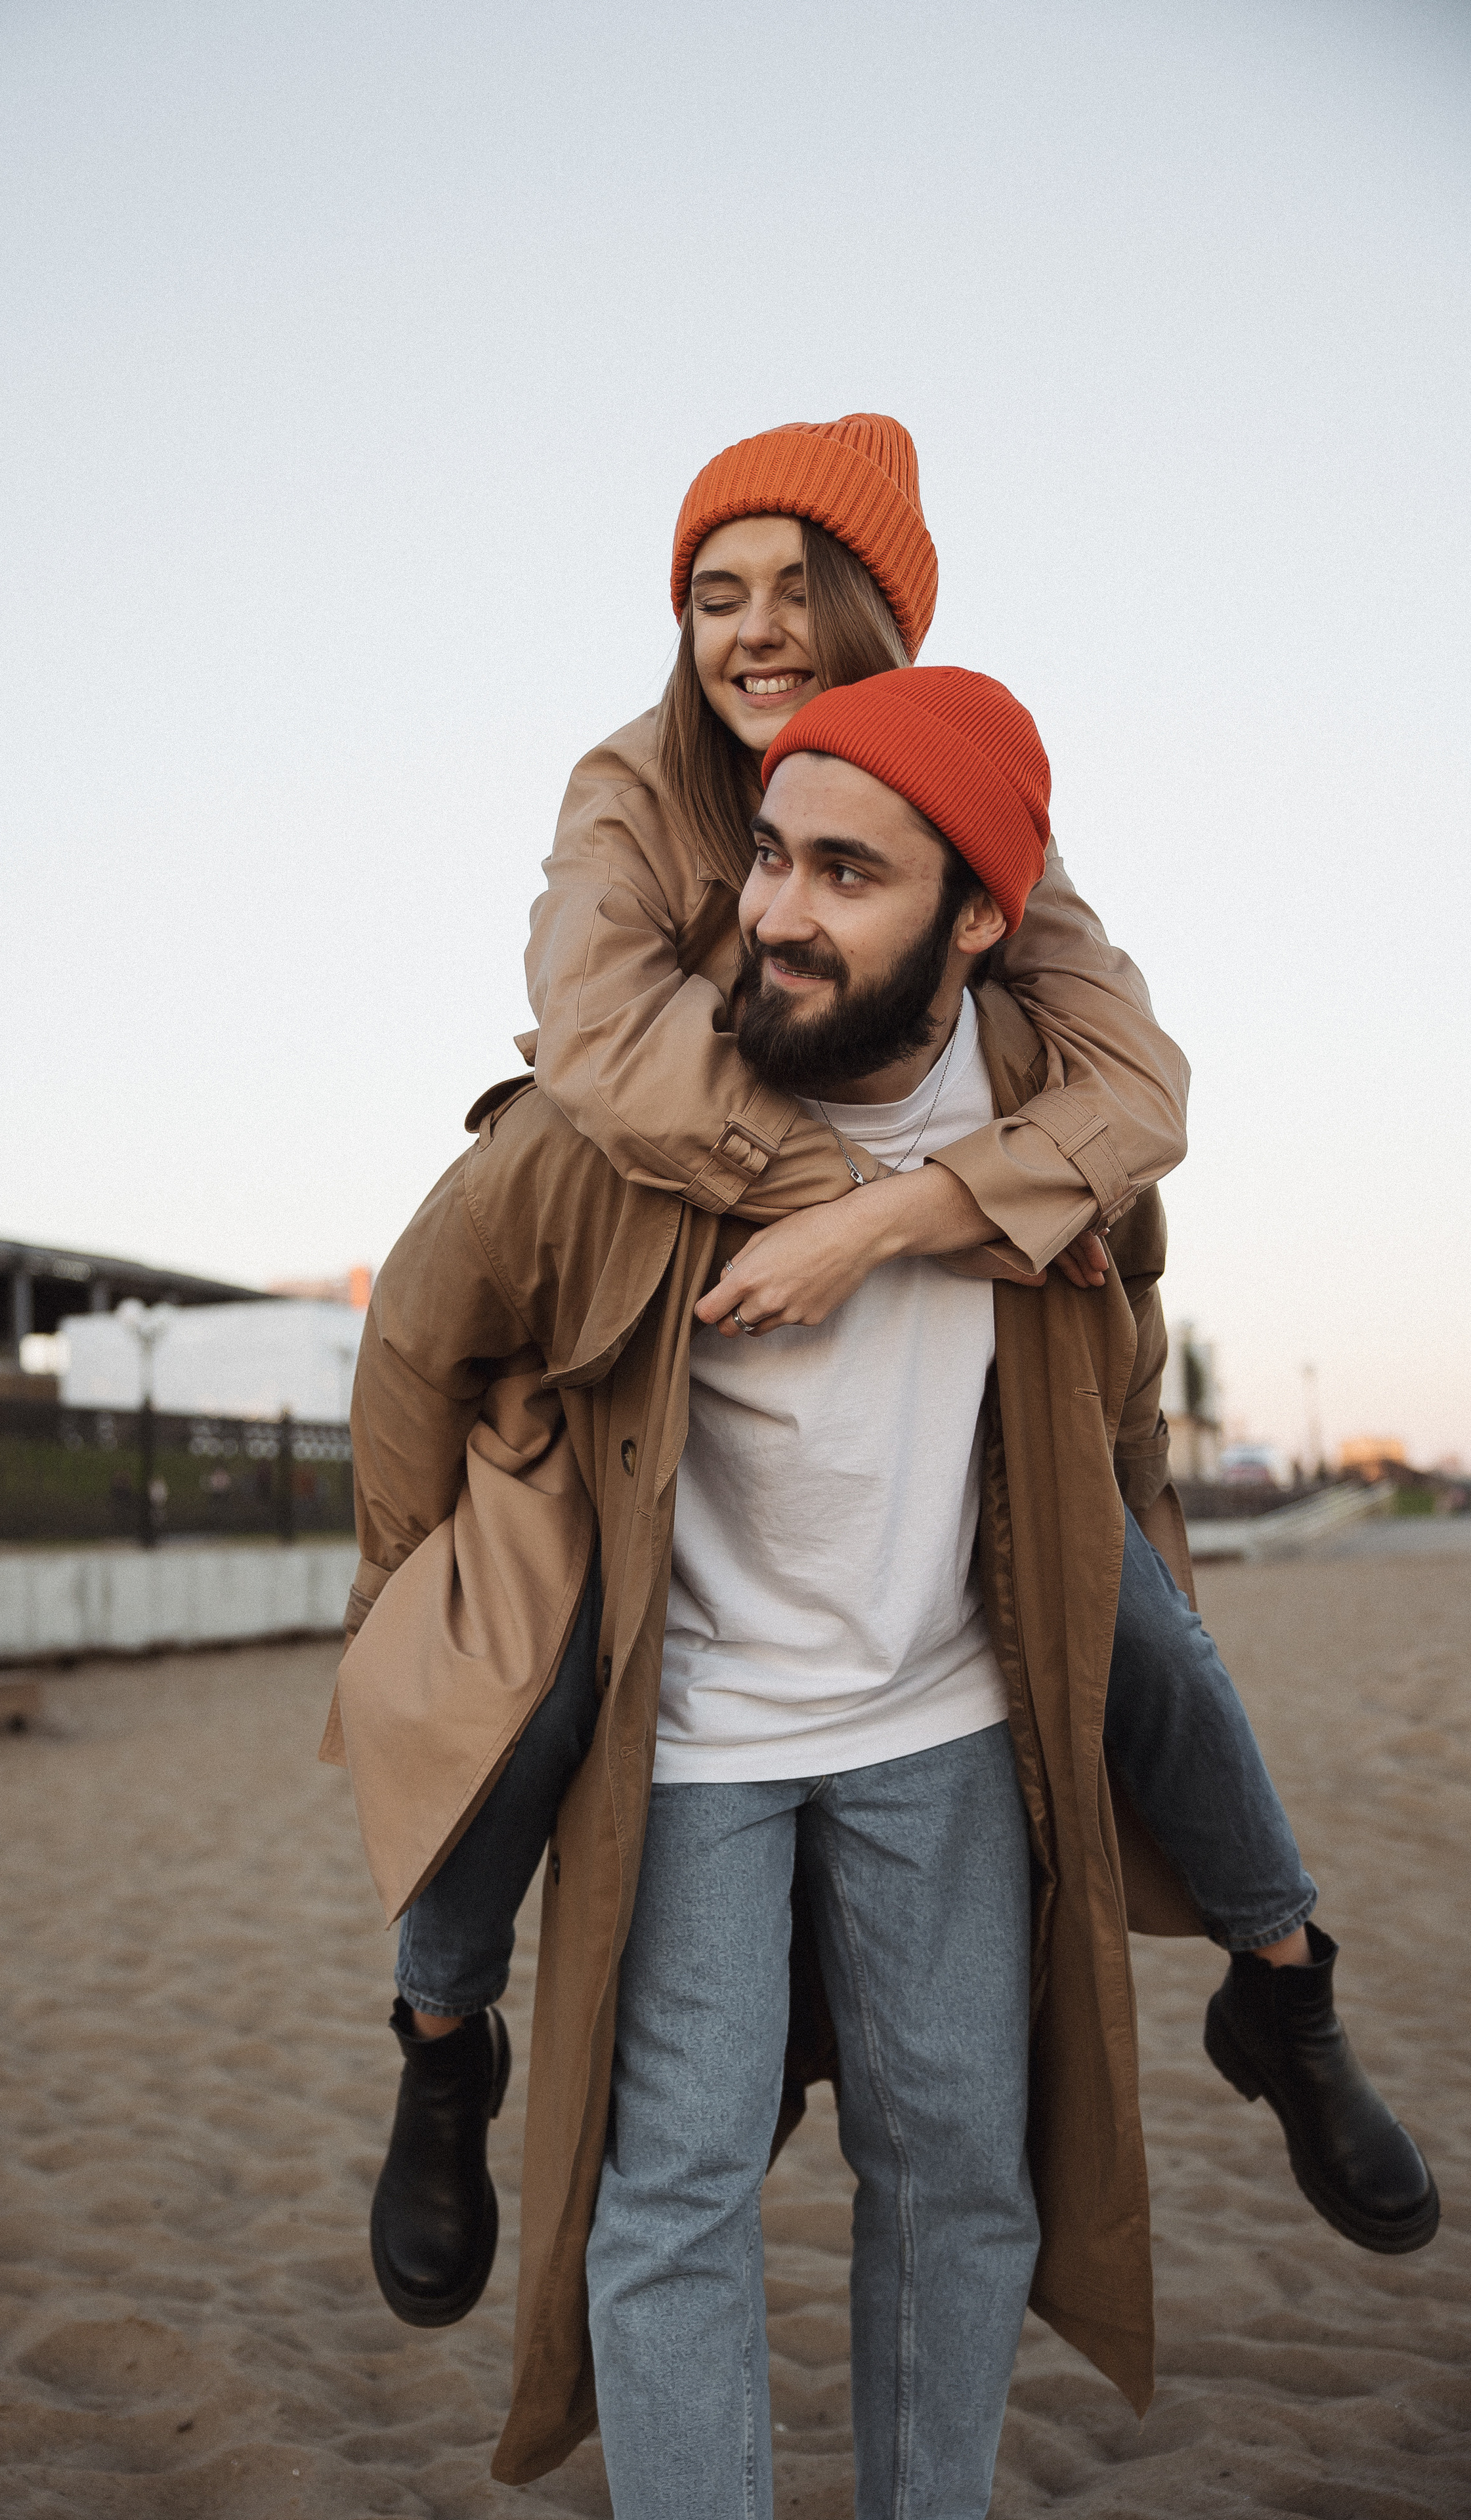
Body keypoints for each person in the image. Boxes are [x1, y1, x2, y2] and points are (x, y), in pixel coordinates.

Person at [352, 411, 1436, 2342]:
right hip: (634, 1347)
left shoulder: (963, 803)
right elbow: (602, 1049)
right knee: (504, 1691)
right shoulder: (632, 793)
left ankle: (1283, 1984)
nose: (754, 630)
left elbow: (1138, 1089)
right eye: (714, 593)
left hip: (928, 1378)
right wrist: (884, 1202)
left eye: (797, 589)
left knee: (1145, 1633)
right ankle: (444, 2045)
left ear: (879, 617)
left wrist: (920, 1217)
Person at [328, 663, 1173, 2510]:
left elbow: (1125, 1385)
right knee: (673, 2195)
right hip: (696, 1733)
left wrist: (1139, 1590)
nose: (780, 912)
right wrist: (416, 1625)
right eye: (772, 855)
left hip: (944, 1717)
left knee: (961, 2177)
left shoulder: (1049, 1117)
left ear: (977, 920)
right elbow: (415, 1336)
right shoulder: (615, 1125)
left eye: (848, 876)